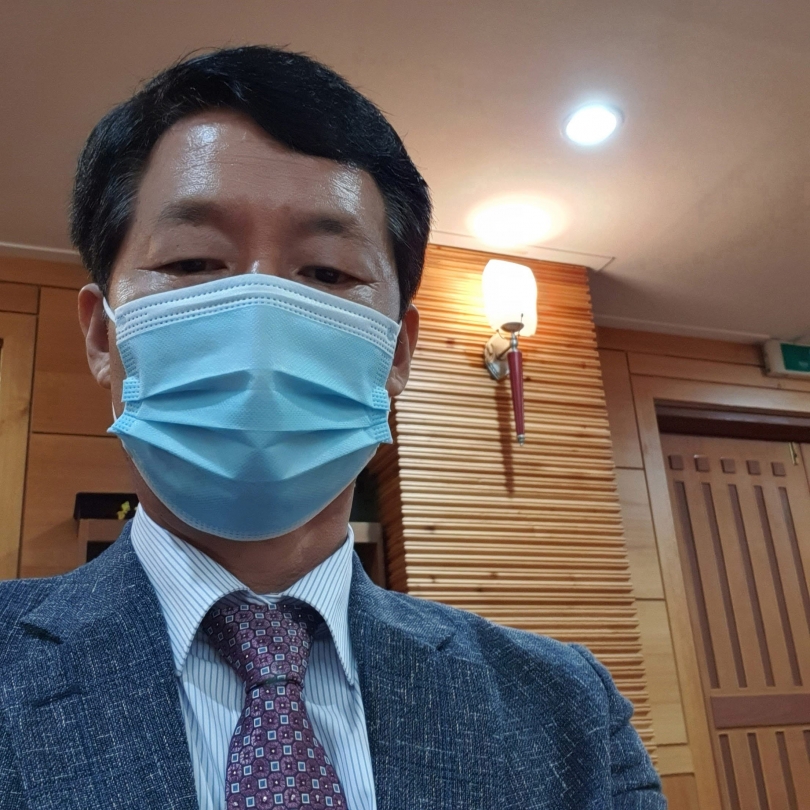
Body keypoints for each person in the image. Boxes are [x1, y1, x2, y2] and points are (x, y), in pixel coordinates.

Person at [0, 46, 664, 809]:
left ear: (397, 353)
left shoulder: (567, 711)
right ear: (100, 335)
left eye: (327, 273)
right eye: (192, 263)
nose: (258, 322)